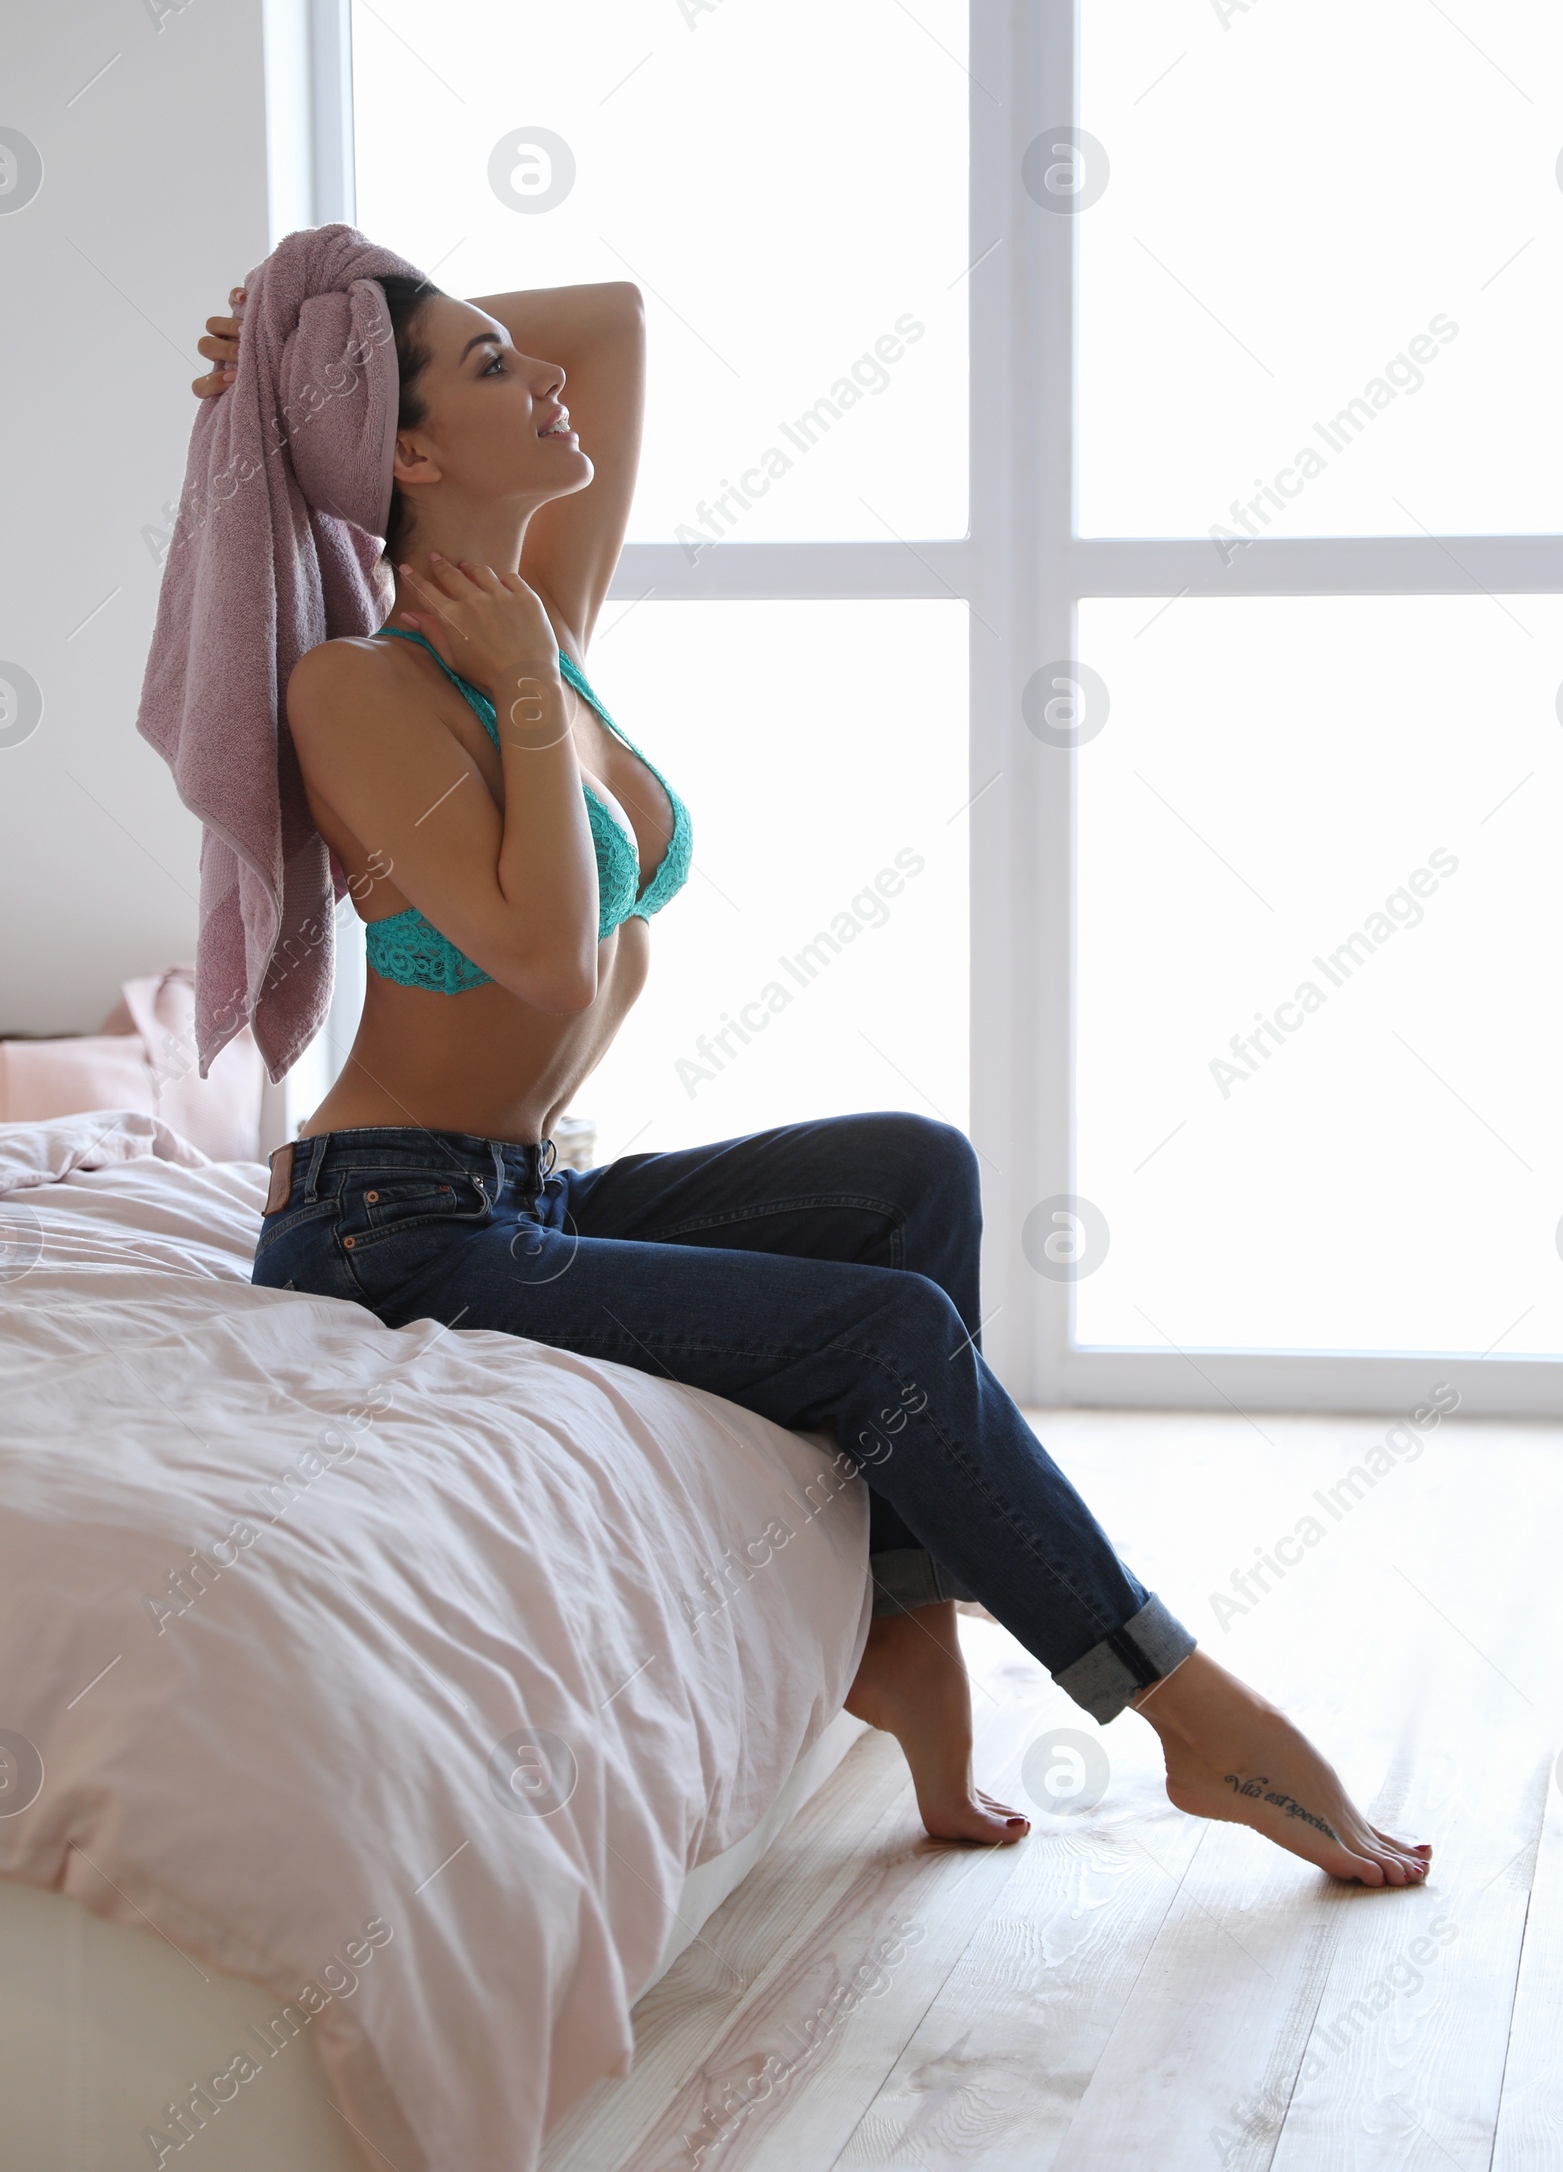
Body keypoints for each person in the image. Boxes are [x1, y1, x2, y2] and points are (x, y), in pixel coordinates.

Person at [193, 249, 1429, 1884]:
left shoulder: (543, 625)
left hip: (519, 1188)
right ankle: (1186, 1711)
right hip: (388, 1233)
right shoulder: (357, 687)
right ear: (410, 456)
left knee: (913, 1170)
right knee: (886, 1328)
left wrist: (323, 321)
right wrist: (505, 681)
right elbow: (547, 956)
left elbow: (611, 319)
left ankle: (903, 1621)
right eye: (492, 372)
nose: (543, 380)